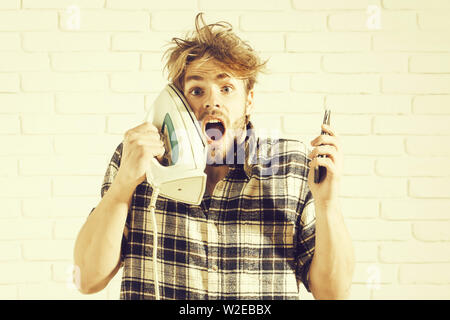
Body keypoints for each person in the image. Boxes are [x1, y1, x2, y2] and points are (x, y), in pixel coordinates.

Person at [73, 13, 355, 300]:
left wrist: (328, 203)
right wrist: (123, 187)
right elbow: (87, 279)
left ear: (249, 100)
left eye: (226, 88)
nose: (212, 101)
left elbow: (333, 294)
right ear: (178, 101)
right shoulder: (140, 161)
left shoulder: (292, 166)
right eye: (197, 90)